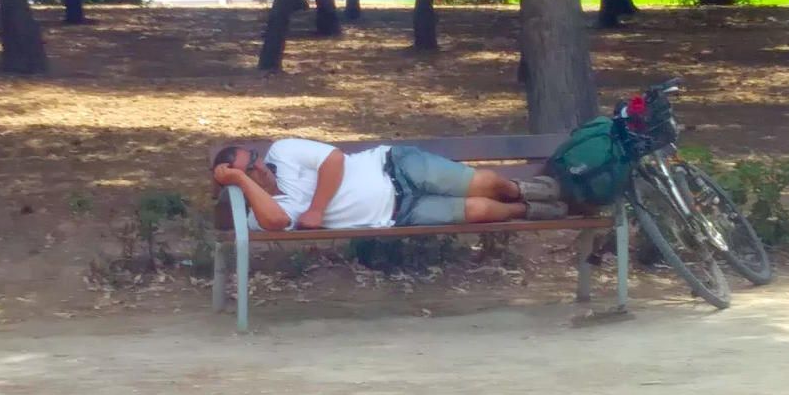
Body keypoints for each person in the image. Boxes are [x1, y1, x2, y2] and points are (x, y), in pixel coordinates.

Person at [211, 139, 566, 231]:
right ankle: (534, 210)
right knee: (480, 210)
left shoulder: (284, 152)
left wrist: (317, 209)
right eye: (250, 170)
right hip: (397, 213)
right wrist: (240, 180)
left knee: (487, 183)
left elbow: (333, 159)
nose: (261, 167)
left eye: (254, 158)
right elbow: (276, 223)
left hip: (395, 166)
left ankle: (531, 190)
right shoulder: (260, 211)